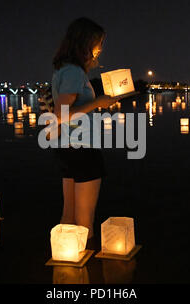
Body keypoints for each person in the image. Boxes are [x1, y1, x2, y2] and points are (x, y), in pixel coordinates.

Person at [51, 17, 117, 240]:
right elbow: (60, 114)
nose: (99, 49)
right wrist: (98, 103)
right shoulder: (74, 73)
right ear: (85, 43)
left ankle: (65, 267)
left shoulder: (64, 70)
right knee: (85, 223)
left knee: (68, 218)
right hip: (82, 149)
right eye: (97, 43)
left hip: (67, 147)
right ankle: (85, 269)